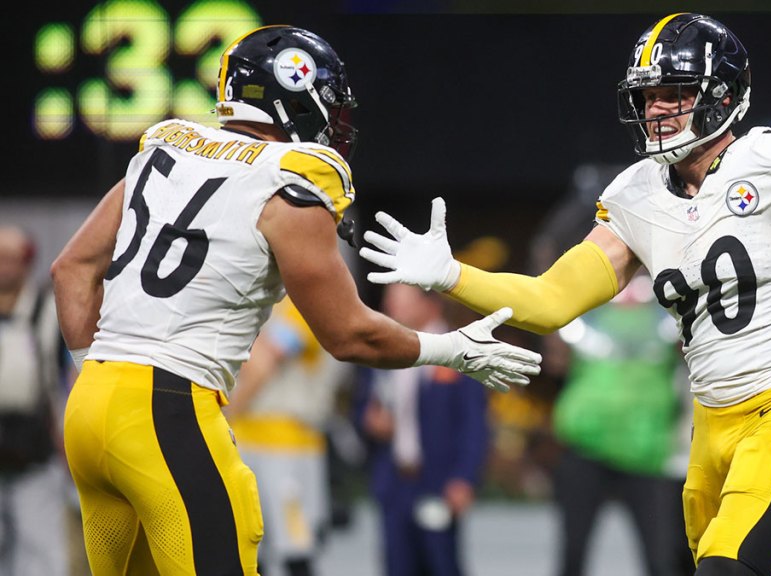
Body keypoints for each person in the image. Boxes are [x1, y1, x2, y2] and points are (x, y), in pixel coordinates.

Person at [358, 13, 771, 576]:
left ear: (721, 96)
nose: (654, 110)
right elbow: (551, 300)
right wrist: (453, 275)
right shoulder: (637, 194)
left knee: (726, 569)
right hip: (709, 424)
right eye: (647, 96)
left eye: (671, 94)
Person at [49, 25, 541, 576]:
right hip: (169, 408)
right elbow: (349, 334)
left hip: (89, 407)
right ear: (296, 94)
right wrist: (451, 349)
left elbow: (70, 269)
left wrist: (94, 372)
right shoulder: (287, 188)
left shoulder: (160, 158)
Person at [550, 272, 695, 576]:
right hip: (586, 451)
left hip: (647, 455)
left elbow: (692, 356)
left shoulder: (670, 317)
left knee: (661, 559)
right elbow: (556, 360)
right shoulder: (585, 316)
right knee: (573, 555)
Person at [353, 284, 489, 576]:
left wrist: (464, 478)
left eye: (401, 300)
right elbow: (362, 404)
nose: (392, 307)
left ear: (430, 304)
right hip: (395, 481)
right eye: (390, 300)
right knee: (397, 564)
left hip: (438, 481)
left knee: (441, 562)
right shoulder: (381, 352)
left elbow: (473, 424)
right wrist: (370, 420)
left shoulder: (457, 352)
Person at [225, 296, 352, 576]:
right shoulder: (254, 296)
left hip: (289, 443)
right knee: (249, 552)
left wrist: (226, 414)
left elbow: (264, 362)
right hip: (245, 439)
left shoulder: (302, 302)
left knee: (295, 550)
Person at [0, 226, 68, 576]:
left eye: (13, 257)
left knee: (38, 547)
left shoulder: (47, 310)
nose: (5, 267)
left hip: (34, 445)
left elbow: (63, 380)